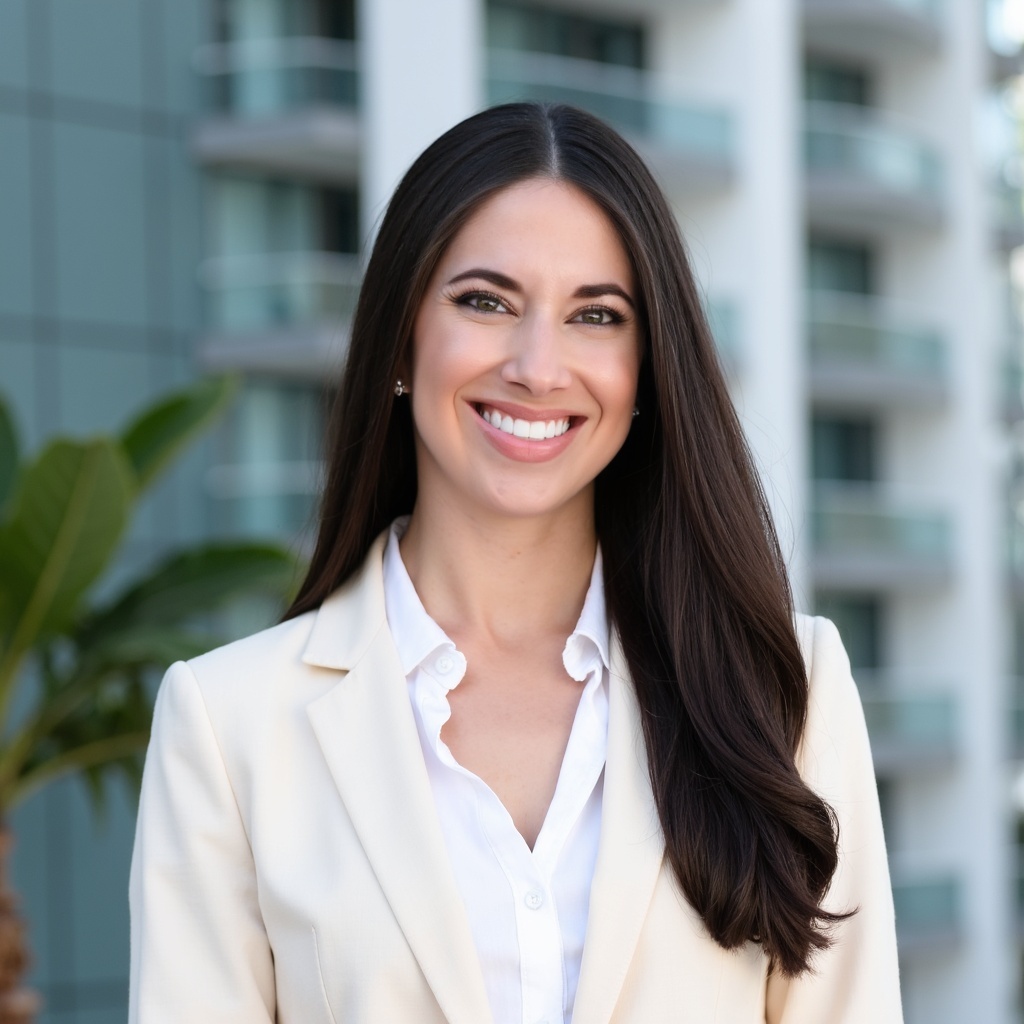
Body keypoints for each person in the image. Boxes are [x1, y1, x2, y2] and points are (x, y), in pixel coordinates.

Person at [128, 102, 902, 1023]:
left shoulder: (787, 694)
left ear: (646, 369)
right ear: (400, 342)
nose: (540, 367)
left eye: (597, 315)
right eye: (485, 301)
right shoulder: (229, 727)